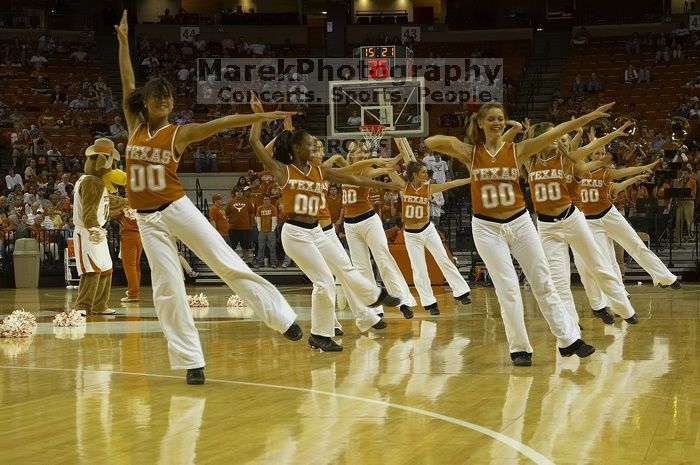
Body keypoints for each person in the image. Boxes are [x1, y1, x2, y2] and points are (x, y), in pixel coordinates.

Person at [115, 10, 302, 385]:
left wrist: (259, 119)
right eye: (159, 97)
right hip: (147, 219)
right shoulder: (134, 126)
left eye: (169, 97)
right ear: (146, 103)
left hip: (177, 208)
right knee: (167, 289)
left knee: (224, 260)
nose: (165, 101)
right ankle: (191, 362)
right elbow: (127, 79)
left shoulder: (178, 134)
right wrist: (122, 42)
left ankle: (282, 318)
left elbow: (220, 124)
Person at [425, 101, 608, 366]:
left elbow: (555, 133)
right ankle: (519, 348)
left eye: (501, 119)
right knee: (507, 288)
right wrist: (456, 141)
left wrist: (589, 115)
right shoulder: (471, 153)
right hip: (487, 228)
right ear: (481, 123)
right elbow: (431, 142)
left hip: (520, 222)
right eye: (491, 119)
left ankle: (569, 340)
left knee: (542, 281)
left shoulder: (518, 150)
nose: (497, 123)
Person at [248, 95, 402, 352]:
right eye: (310, 144)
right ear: (297, 149)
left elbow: (356, 179)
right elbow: (255, 142)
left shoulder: (319, 171)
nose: (316, 148)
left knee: (345, 268)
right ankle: (320, 335)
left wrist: (386, 185)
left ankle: (374, 297)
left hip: (317, 231)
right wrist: (258, 116)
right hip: (295, 234)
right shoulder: (282, 171)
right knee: (324, 281)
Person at [521, 122, 639, 327]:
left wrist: (614, 133)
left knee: (598, 264)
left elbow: (591, 148)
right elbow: (518, 147)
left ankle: (623, 307)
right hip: (546, 226)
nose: (557, 139)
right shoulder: (528, 161)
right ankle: (570, 323)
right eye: (552, 136)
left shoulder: (565, 159)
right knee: (558, 279)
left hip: (572, 218)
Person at [573, 147, 680, 314]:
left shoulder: (606, 173)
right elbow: (574, 153)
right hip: (590, 222)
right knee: (605, 262)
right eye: (597, 153)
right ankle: (616, 300)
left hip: (609, 215)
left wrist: (643, 168)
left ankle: (664, 277)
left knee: (635, 244)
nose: (601, 156)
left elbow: (626, 172)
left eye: (603, 153)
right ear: (589, 157)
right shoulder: (579, 171)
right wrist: (588, 138)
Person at [338, 141, 418, 318]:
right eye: (361, 152)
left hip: (368, 220)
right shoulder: (344, 169)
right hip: (350, 225)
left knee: (383, 257)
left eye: (366, 153)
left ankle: (403, 301)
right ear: (352, 153)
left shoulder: (365, 171)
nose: (364, 156)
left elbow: (383, 169)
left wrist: (399, 156)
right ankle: (374, 309)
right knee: (361, 268)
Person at [386, 152, 472, 315]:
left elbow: (451, 184)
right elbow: (389, 169)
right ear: (414, 174)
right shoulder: (403, 186)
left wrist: (470, 179)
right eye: (424, 172)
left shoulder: (429, 188)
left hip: (428, 230)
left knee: (444, 259)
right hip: (410, 234)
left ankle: (461, 293)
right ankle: (430, 303)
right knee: (419, 269)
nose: (427, 174)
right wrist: (400, 155)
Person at [116, 205, 142, 302]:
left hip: (128, 235)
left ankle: (133, 294)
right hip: (139, 235)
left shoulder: (123, 206)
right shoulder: (139, 205)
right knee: (135, 266)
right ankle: (134, 291)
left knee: (129, 267)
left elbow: (114, 214)